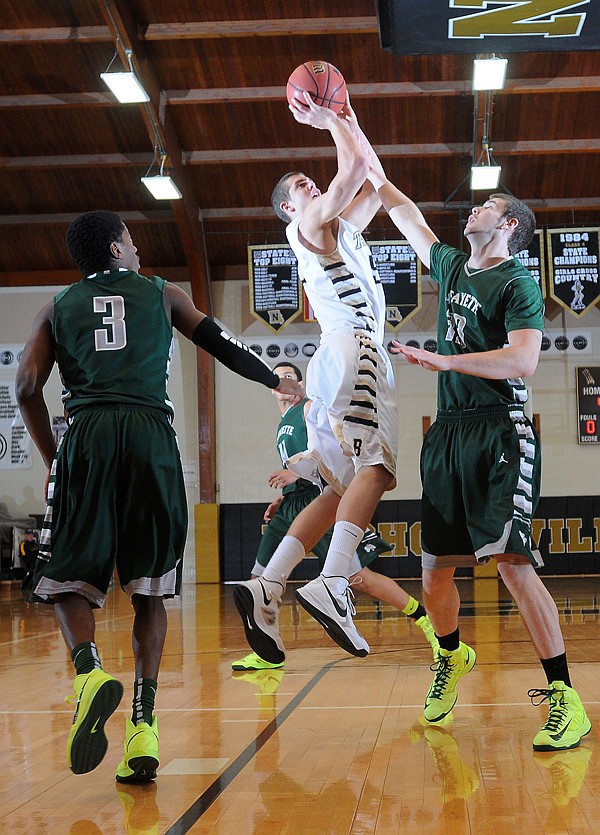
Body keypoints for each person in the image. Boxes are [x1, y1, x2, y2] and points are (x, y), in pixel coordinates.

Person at [15, 210, 302, 780]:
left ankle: (90, 670)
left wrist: (56, 461)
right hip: (150, 436)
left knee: (69, 572)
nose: (138, 247)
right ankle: (143, 732)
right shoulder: (163, 293)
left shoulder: (57, 305)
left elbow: (25, 386)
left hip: (88, 435)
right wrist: (276, 380)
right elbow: (219, 341)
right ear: (118, 249)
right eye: (132, 239)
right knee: (151, 589)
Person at [366, 174, 590, 751]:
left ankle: (565, 699)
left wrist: (448, 362)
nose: (474, 210)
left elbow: (523, 360)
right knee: (434, 568)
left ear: (509, 224)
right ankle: (451, 655)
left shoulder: (519, 283)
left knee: (512, 565)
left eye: (487, 205)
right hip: (448, 435)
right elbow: (404, 210)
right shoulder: (451, 267)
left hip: (500, 432)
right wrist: (353, 139)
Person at [233, 92, 399, 662]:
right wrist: (328, 118)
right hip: (355, 352)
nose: (311, 186)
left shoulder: (341, 230)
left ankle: (267, 584)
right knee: (376, 468)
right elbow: (351, 170)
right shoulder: (308, 222)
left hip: (337, 361)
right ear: (287, 208)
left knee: (335, 486)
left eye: (311, 182)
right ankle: (332, 583)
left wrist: (350, 119)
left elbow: (371, 177)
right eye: (300, 184)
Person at [232, 361, 438, 672]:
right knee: (258, 580)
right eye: (279, 376)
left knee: (358, 578)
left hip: (317, 500)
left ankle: (422, 619)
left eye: (289, 376)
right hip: (291, 507)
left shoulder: (309, 410)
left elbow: (326, 462)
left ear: (299, 385)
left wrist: (295, 477)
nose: (283, 381)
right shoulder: (284, 422)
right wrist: (281, 496)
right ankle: (266, 651)